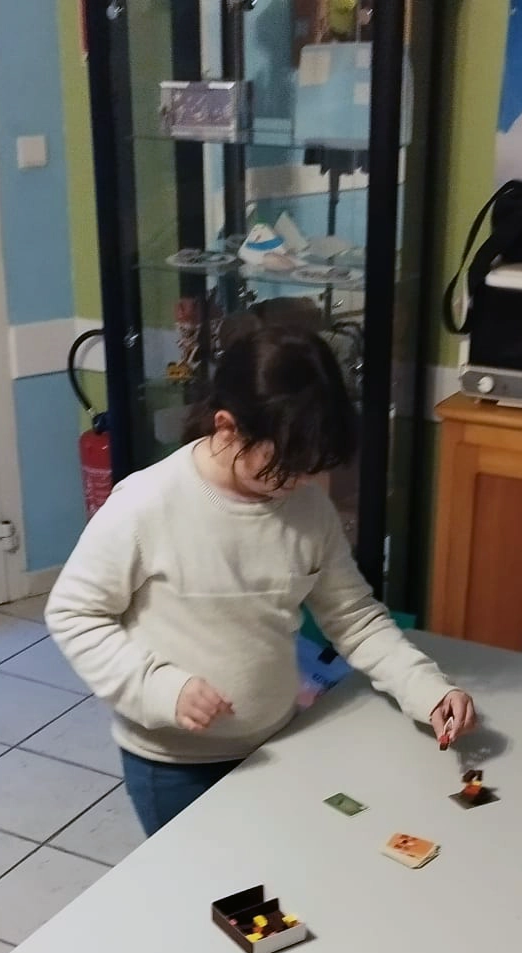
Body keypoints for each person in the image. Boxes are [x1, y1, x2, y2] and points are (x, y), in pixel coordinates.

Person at [46, 325, 475, 835]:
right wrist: (157, 687)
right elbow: (74, 614)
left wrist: (426, 689)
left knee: (276, 873)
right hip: (173, 764)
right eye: (286, 467)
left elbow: (356, 620)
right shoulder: (145, 504)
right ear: (227, 428)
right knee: (200, 881)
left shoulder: (307, 506)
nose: (301, 482)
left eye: (311, 467)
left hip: (277, 741)